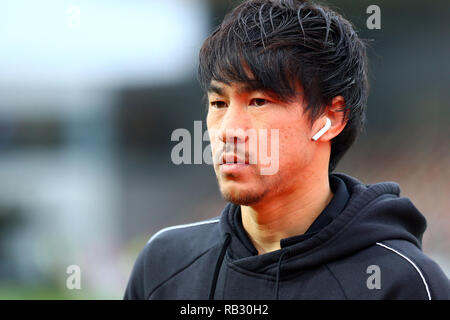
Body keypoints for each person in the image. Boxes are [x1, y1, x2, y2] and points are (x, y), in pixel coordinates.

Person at [124, 0, 449, 299]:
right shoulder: (164, 266)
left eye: (259, 101)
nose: (228, 131)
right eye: (219, 103)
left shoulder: (403, 282)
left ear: (330, 117)